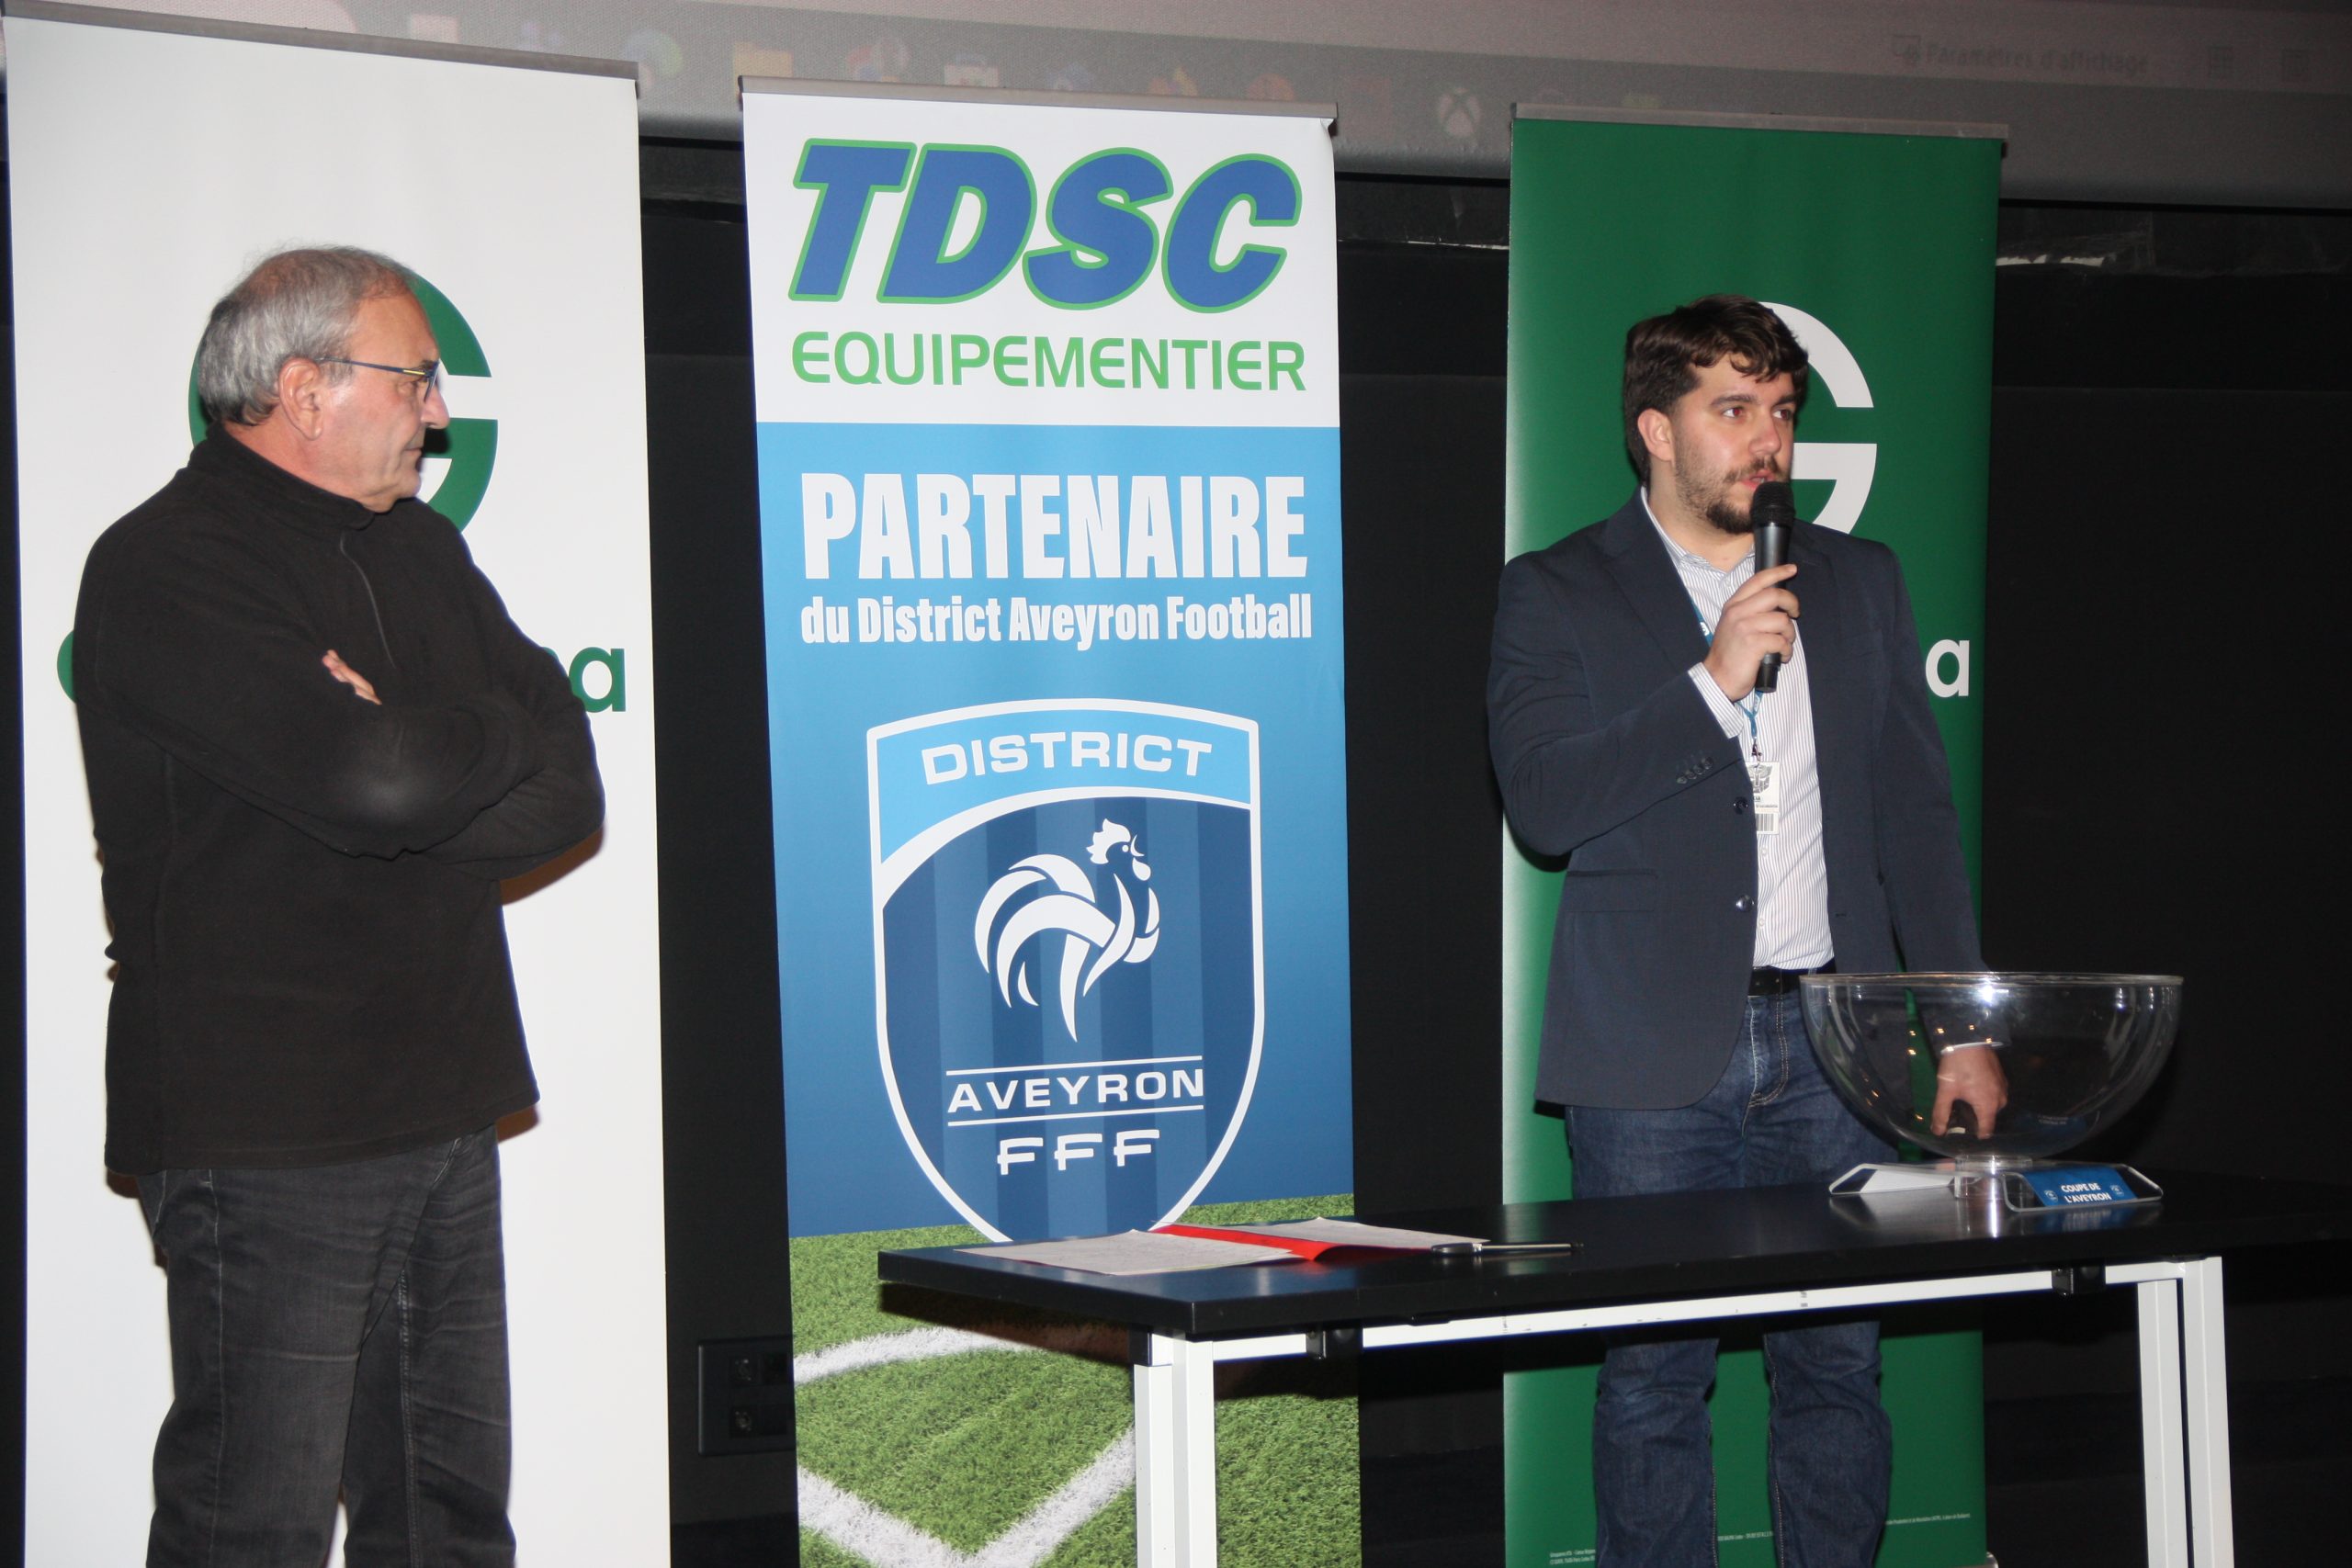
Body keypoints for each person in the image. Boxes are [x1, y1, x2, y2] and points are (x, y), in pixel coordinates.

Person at [73, 246, 602, 1566]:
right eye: (417, 379)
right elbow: (373, 784)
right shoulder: (165, 566)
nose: (439, 411)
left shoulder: (423, 549)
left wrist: (418, 740)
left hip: (445, 1100)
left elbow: (566, 784)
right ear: (304, 389)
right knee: (254, 1526)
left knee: (448, 1525)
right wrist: (441, 750)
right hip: (269, 1130)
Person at [1487, 294, 2004, 1567]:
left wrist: (1960, 1024)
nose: (1767, 439)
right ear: (1656, 431)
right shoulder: (1555, 590)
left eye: (1779, 410)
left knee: (1836, 1369)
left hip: (1837, 1043)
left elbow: (1916, 823)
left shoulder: (1859, 581)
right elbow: (1545, 806)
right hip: (1652, 1056)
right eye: (1733, 410)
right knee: (1654, 1381)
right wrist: (1714, 682)